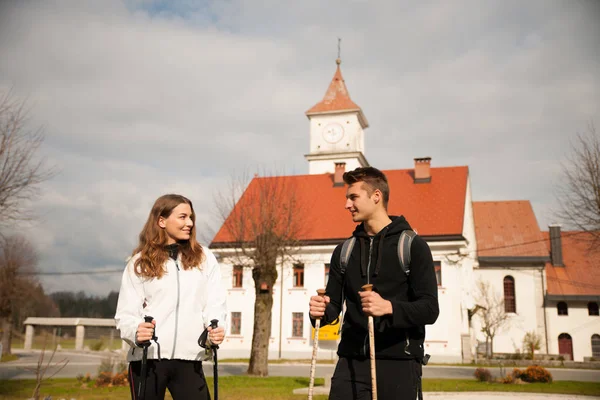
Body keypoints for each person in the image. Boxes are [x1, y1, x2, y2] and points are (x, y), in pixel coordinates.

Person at [309, 167, 439, 400]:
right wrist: (320, 310)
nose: (347, 205)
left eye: (353, 197)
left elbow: (430, 309)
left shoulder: (412, 246)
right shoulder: (344, 251)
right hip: (350, 362)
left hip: (398, 362)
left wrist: (389, 307)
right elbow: (334, 306)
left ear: (376, 196)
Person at [115, 194, 227, 400]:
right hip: (147, 359)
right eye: (183, 217)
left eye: (191, 217)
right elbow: (125, 314)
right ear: (161, 221)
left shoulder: (205, 258)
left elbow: (215, 302)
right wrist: (136, 332)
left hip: (190, 358)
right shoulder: (139, 263)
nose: (190, 223)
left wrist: (215, 330)